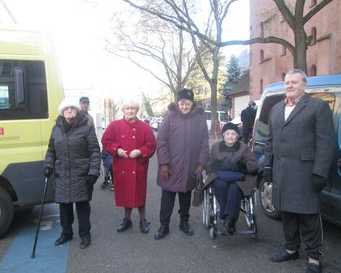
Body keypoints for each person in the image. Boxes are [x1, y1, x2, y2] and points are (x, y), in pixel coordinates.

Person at [263, 69, 335, 273]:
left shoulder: (317, 107)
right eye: (287, 82)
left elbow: (325, 142)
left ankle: (314, 258)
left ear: (304, 85)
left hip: (306, 172)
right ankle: (291, 250)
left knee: (309, 217)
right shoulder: (276, 109)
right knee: (287, 214)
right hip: (282, 172)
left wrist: (320, 172)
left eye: (294, 82)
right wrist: (268, 166)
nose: (289, 85)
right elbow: (270, 140)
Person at [44, 98, 100, 249]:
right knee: (64, 207)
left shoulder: (86, 127)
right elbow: (51, 150)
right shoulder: (56, 129)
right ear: (62, 112)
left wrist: (94, 171)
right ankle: (66, 233)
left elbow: (94, 150)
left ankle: (85, 234)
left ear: (77, 110)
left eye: (72, 108)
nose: (69, 110)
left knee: (82, 205)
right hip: (62, 173)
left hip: (81, 173)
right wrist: (48, 165)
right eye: (66, 108)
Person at [154, 88, 209, 240]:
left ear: (193, 104)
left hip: (190, 166)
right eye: (182, 103)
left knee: (185, 196)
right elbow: (162, 140)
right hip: (171, 167)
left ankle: (184, 222)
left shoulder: (199, 117)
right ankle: (163, 225)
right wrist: (163, 163)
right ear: (178, 103)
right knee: (167, 197)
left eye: (188, 103)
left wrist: (202, 162)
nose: (185, 106)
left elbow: (204, 140)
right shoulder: (171, 115)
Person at [101, 100, 157, 234]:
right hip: (122, 165)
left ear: (137, 110)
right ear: (123, 110)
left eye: (132, 109)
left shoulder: (145, 127)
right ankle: (127, 219)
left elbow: (152, 145)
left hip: (139, 165)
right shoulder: (115, 125)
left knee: (139, 192)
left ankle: (143, 219)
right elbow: (106, 141)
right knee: (126, 192)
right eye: (127, 108)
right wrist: (117, 149)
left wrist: (140, 151)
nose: (130, 111)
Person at [204, 123, 258, 235]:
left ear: (237, 136)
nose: (230, 136)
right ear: (223, 136)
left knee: (234, 188)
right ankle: (230, 219)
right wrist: (217, 164)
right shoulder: (216, 147)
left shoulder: (244, 147)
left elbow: (254, 164)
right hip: (220, 177)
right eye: (227, 133)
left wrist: (240, 166)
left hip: (239, 179)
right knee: (220, 185)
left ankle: (229, 220)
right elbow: (208, 164)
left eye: (233, 134)